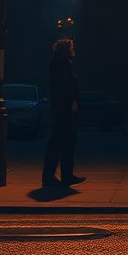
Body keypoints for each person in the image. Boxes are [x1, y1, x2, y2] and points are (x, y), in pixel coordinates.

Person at [41, 38, 85, 187]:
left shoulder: (58, 61)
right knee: (63, 141)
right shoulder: (62, 62)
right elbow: (65, 83)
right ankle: (57, 175)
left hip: (61, 106)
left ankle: (59, 175)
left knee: (63, 141)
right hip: (65, 106)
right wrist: (72, 99)